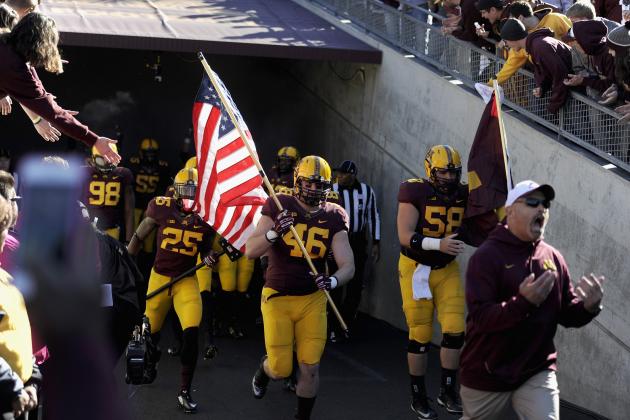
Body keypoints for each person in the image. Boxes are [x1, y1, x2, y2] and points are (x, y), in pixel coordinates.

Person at [459, 180, 604, 419]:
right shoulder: (486, 256)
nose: (542, 209)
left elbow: (567, 314)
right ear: (510, 210)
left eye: (545, 204)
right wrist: (523, 303)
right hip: (487, 372)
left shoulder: (552, 257)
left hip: (535, 370)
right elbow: (482, 319)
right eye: (533, 202)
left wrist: (589, 307)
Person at [246, 156, 354, 420]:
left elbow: (348, 264)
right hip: (278, 296)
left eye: (320, 185)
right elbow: (250, 250)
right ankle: (264, 370)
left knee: (310, 367)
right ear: (297, 181)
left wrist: (333, 281)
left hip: (312, 298)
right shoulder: (279, 204)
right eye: (309, 183)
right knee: (281, 368)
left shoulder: (334, 215)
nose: (314, 189)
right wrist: (274, 233)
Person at [397, 144, 482, 419]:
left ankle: (447, 391)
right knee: (420, 335)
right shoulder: (414, 190)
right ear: (430, 170)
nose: (448, 177)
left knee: (456, 330)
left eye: (453, 172)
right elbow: (404, 235)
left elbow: (486, 203)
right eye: (443, 172)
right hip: (415, 267)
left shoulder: (463, 192)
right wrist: (438, 244)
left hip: (446, 268)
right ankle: (418, 395)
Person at [127, 167, 218, 414]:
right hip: (159, 277)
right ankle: (150, 364)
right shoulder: (161, 207)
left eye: (193, 191)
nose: (189, 196)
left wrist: (209, 257)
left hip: (185, 280)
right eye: (185, 191)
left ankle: (185, 390)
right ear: (175, 191)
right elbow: (139, 234)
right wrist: (126, 263)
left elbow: (207, 248)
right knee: (150, 333)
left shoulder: (205, 216)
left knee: (191, 333)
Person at [0, 12, 120, 163]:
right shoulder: (14, 69)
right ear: (41, 44)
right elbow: (53, 114)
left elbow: (29, 70)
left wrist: (50, 106)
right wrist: (94, 140)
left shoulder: (6, 43)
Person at [328, 160, 380, 340]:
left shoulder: (366, 191)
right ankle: (332, 324)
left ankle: (346, 322)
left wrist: (376, 242)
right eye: (338, 174)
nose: (339, 177)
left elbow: (373, 216)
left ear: (352, 175)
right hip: (336, 239)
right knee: (335, 281)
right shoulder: (330, 190)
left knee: (355, 284)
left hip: (357, 239)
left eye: (343, 174)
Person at [489, 1, 571, 86]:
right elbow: (508, 68)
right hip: (550, 84)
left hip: (576, 74)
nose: (511, 25)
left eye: (513, 20)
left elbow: (577, 37)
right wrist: (488, 85)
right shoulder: (521, 40)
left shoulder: (555, 18)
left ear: (520, 18)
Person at [501, 18, 572, 113]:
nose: (507, 45)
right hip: (571, 88)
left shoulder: (539, 46)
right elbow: (548, 72)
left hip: (579, 89)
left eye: (506, 41)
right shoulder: (534, 45)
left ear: (512, 39)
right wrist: (542, 87)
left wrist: (553, 106)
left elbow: (561, 75)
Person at [83, 144, 135, 242]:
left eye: (109, 158)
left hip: (112, 229)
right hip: (88, 229)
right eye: (102, 159)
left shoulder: (122, 174)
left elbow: (129, 211)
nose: (106, 162)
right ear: (92, 159)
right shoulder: (84, 172)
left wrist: (129, 241)